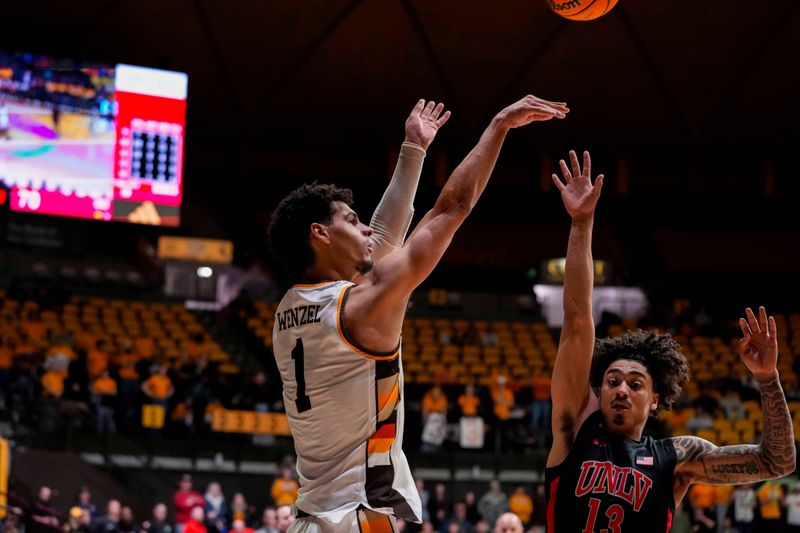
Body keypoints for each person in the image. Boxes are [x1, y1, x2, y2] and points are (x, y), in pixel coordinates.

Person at [269, 94, 567, 533]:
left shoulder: (288, 312)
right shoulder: (363, 305)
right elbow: (450, 208)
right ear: (320, 233)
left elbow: (385, 234)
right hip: (356, 516)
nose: (366, 227)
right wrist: (499, 126)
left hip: (311, 515)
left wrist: (415, 149)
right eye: (352, 221)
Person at [544, 150, 796, 531]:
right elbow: (578, 320)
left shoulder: (676, 457)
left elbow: (777, 462)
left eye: (635, 383)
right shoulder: (574, 428)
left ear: (656, 399)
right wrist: (582, 223)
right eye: (612, 381)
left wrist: (767, 377)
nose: (621, 389)